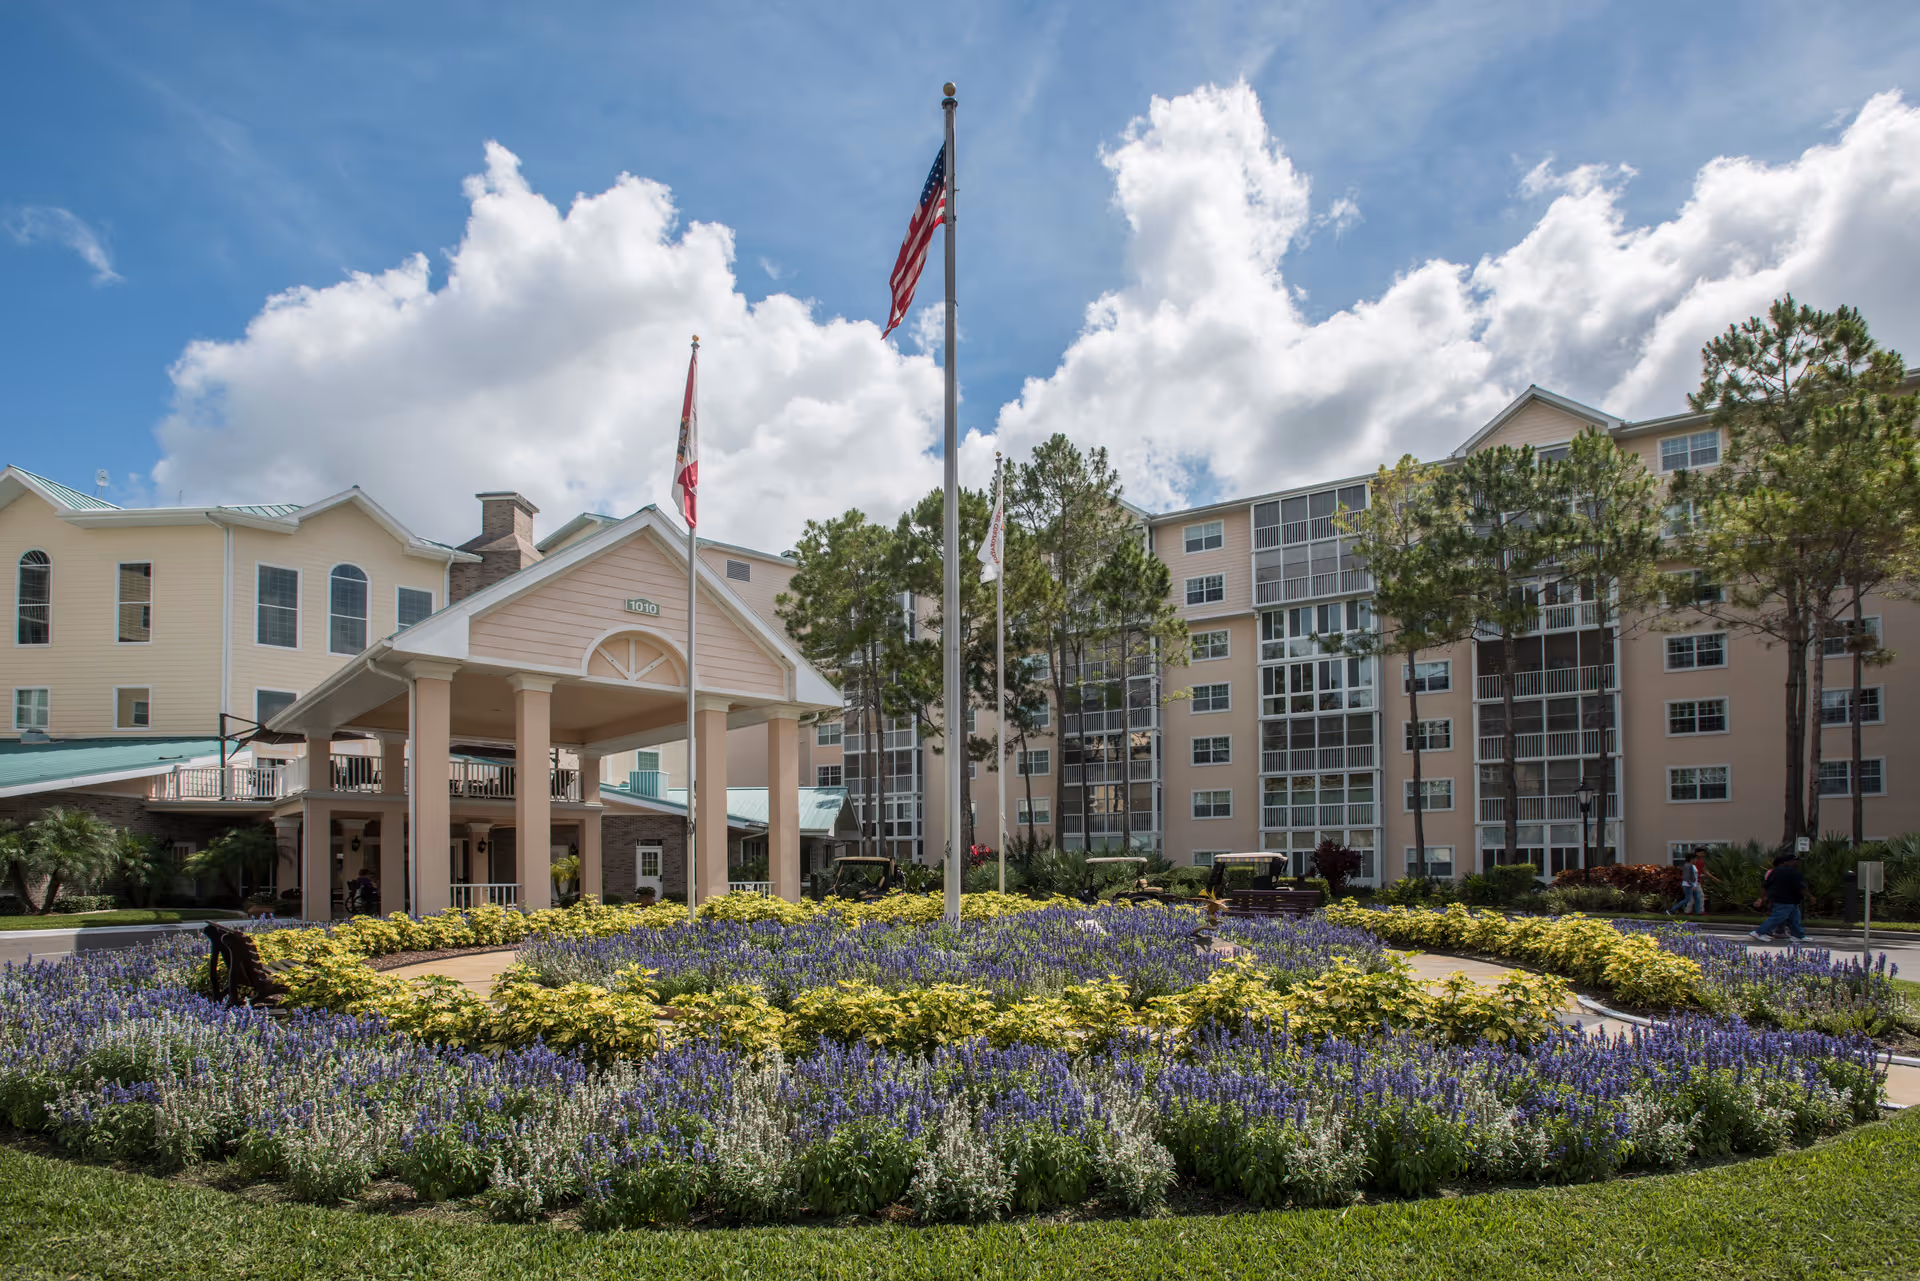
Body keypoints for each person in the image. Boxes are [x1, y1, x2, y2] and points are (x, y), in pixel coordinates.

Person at [1749, 852, 1808, 943]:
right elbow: (1800, 887)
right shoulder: (1788, 872)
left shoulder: (1778, 872)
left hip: (1791, 900)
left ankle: (1798, 935)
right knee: (1778, 917)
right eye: (1795, 861)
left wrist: (1763, 898)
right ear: (1787, 862)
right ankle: (1759, 932)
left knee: (1795, 918)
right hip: (1785, 900)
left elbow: (1766, 886)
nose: (1797, 863)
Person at [1668, 848, 1711, 915]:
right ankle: (1672, 910)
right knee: (1688, 899)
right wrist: (1693, 885)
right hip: (1688, 885)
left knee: (1698, 897)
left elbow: (1694, 875)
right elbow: (1687, 877)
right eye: (1695, 859)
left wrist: (1700, 876)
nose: (1696, 860)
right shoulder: (1688, 866)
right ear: (1692, 859)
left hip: (1693, 884)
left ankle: (1698, 912)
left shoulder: (1692, 866)